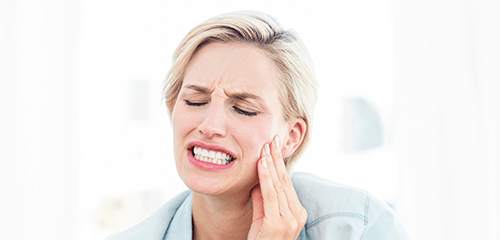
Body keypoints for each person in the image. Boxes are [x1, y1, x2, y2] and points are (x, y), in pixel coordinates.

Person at [106, 11, 409, 240]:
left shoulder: (360, 228)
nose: (210, 125)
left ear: (291, 137)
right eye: (196, 101)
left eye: (244, 109)